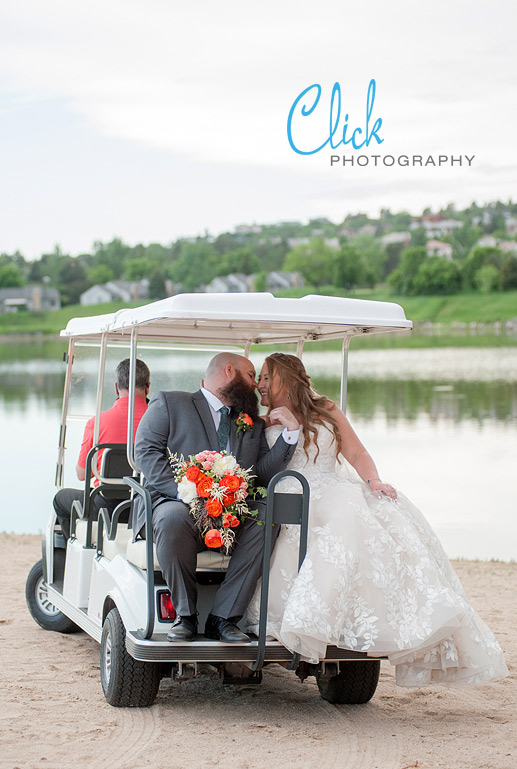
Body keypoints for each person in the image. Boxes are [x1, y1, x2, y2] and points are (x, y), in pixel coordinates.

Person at [245, 353, 508, 688]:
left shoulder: (327, 410)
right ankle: (308, 618)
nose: (260, 385)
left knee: (370, 507)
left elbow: (356, 453)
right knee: (340, 511)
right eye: (260, 378)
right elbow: (260, 470)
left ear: (287, 379)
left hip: (331, 486)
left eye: (267, 377)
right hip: (290, 492)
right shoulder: (259, 420)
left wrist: (373, 480)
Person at [133, 352, 299, 644]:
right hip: (178, 508)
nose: (256, 385)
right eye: (251, 376)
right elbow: (145, 452)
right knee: (173, 517)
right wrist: (187, 493)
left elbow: (259, 472)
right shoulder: (171, 402)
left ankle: (223, 618)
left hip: (230, 515)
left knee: (266, 516)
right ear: (229, 371)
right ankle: (185, 616)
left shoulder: (250, 422)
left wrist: (290, 436)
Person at [53, 358, 150, 539]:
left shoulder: (97, 423)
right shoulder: (160, 421)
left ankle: (72, 553)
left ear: (116, 387)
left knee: (60, 499)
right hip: (146, 506)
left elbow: (82, 474)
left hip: (107, 506)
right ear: (148, 386)